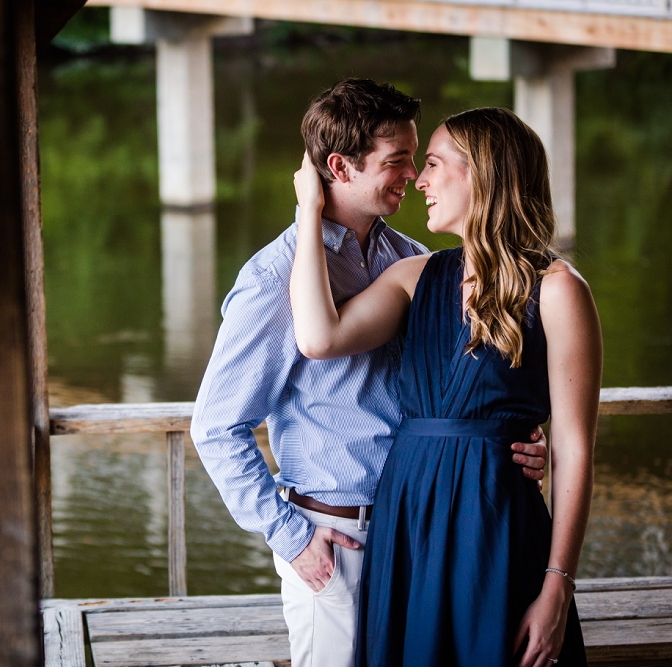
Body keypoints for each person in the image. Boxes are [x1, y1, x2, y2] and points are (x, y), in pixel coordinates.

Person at [190, 80, 549, 667]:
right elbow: (216, 427)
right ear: (340, 166)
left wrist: (519, 440)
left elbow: (462, 386)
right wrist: (293, 538)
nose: (413, 175)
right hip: (335, 539)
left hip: (421, 533)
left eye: (417, 158)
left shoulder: (412, 261)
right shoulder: (274, 278)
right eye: (398, 161)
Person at [289, 107, 601, 667]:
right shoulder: (415, 276)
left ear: (481, 173)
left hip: (498, 526)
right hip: (408, 524)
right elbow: (318, 337)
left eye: (432, 164)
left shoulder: (558, 291)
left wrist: (558, 587)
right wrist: (308, 211)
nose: (420, 180)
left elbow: (576, 450)